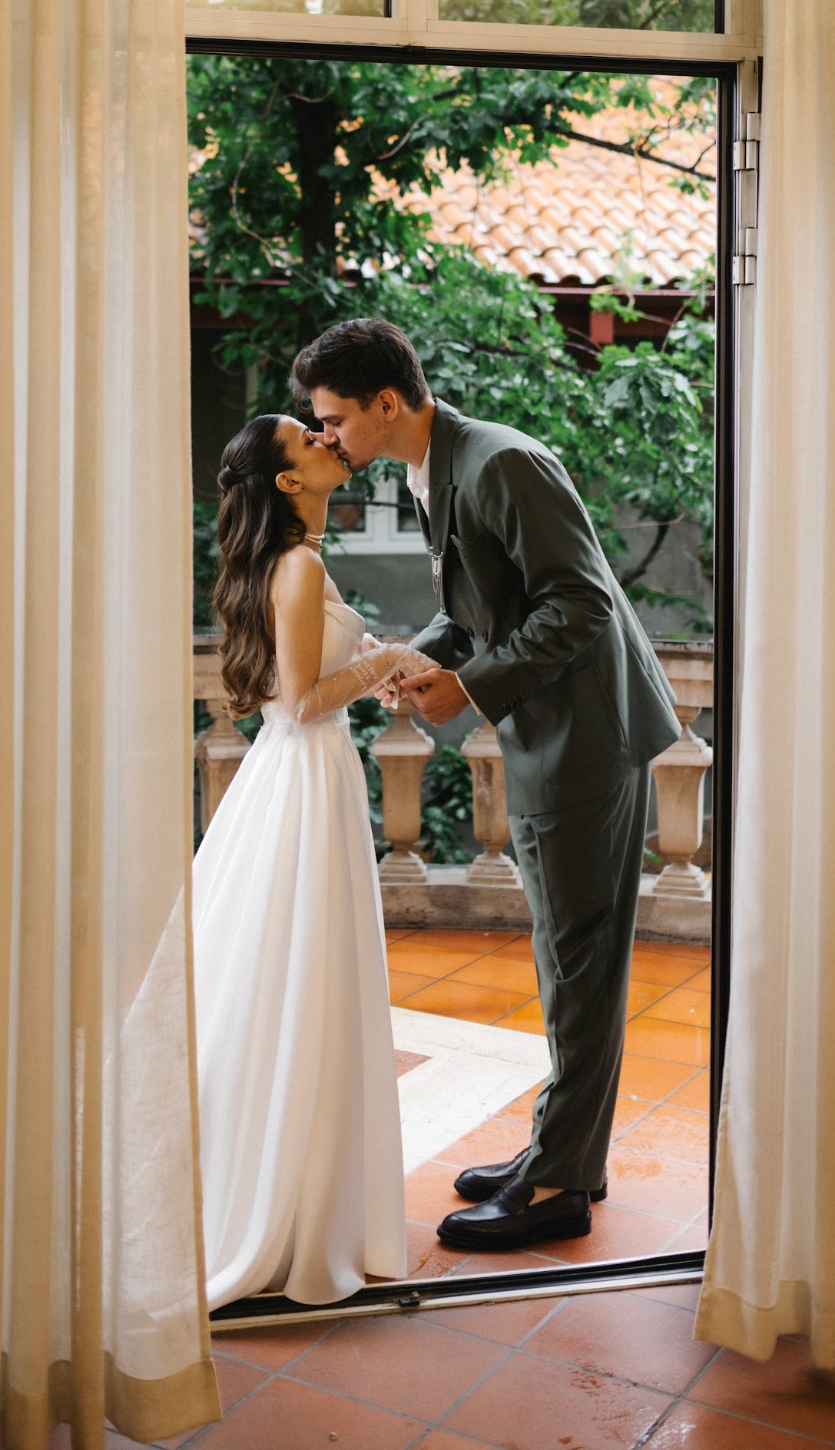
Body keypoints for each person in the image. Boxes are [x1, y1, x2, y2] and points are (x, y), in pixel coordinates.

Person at [290, 319, 682, 1253]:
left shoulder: (500, 463)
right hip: (553, 732)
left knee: (579, 965)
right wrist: (414, 658)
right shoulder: (436, 469)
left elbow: (582, 603)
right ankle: (564, 1152)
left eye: (334, 418)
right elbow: (481, 608)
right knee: (564, 957)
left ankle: (557, 1184)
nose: (325, 436)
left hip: (588, 737)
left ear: (388, 403)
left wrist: (468, 687)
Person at [193, 412, 437, 1306]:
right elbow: (297, 701)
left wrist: (373, 660)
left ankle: (299, 1186)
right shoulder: (295, 565)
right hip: (302, 774)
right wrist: (393, 655)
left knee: (294, 975)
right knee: (301, 974)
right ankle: (283, 1201)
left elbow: (313, 671)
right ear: (289, 482)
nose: (329, 441)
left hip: (308, 775)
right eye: (309, 437)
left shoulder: (300, 562)